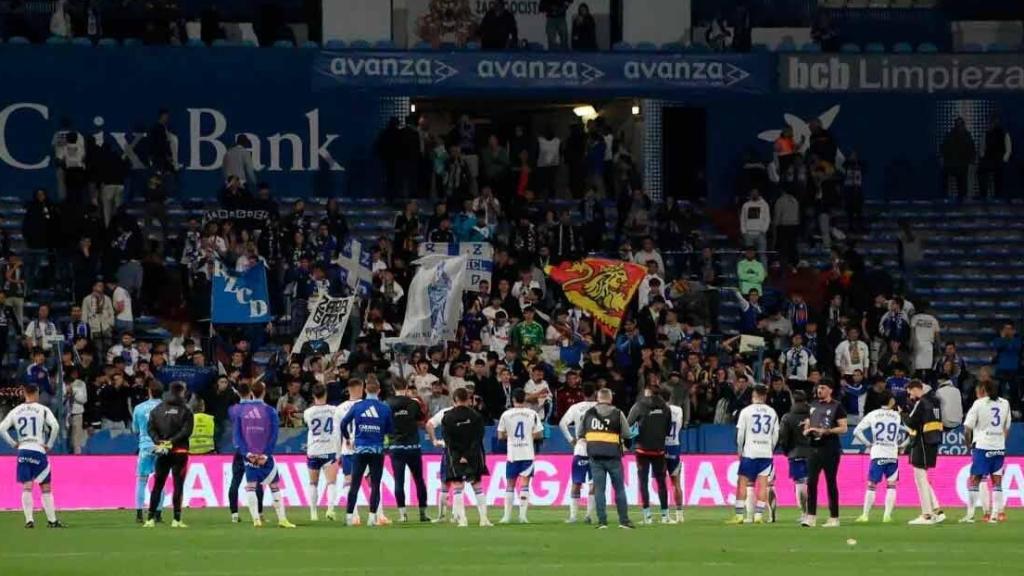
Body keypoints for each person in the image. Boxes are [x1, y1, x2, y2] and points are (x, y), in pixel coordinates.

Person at [233, 381, 295, 528]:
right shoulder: (270, 411)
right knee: (274, 485)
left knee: (251, 486)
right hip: (264, 455)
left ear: (251, 393)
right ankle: (282, 519)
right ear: (264, 392)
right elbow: (273, 435)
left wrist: (247, 453)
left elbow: (237, 435)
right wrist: (266, 455)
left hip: (249, 456)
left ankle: (256, 520)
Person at [0, 384, 63, 528]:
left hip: (23, 449)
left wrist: (13, 443)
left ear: (24, 393)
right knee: (45, 486)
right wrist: (50, 444)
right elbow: (56, 427)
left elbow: (2, 428)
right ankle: (52, 521)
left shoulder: (16, 410)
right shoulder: (43, 410)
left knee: (27, 486)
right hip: (38, 448)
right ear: (37, 393)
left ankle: (29, 521)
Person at [339, 378, 393, 527]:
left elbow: (343, 423)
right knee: (375, 484)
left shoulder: (358, 406)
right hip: (377, 450)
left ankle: (350, 517)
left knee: (354, 484)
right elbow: (390, 430)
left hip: (360, 449)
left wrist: (347, 438)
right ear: (379, 391)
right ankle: (372, 518)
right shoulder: (385, 408)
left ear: (365, 390)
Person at [581, 388, 636, 529]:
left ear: (598, 398)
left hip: (595, 456)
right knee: (619, 489)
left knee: (599, 489)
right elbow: (628, 435)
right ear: (610, 399)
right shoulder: (617, 413)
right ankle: (624, 521)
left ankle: (602, 522)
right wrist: (626, 448)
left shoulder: (589, 413)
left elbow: (579, 433)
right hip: (613, 456)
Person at [142, 382, 194, 529]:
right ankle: (176, 519)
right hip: (179, 451)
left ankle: (150, 519)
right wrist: (172, 442)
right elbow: (187, 431)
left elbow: (150, 428)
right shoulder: (186, 410)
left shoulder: (157, 409)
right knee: (178, 485)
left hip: (162, 451)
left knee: (158, 484)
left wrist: (160, 442)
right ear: (182, 392)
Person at [852, 391, 907, 524]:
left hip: (877, 453)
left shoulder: (873, 414)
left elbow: (856, 431)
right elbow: (912, 432)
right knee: (891, 485)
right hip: (892, 454)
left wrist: (868, 444)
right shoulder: (897, 415)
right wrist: (903, 445)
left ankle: (865, 515)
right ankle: (887, 516)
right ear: (891, 401)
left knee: (872, 485)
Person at [961, 379, 1011, 524]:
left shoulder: (979, 403)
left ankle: (970, 515)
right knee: (997, 482)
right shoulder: (1005, 403)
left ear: (984, 390)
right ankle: (995, 515)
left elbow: (967, 428)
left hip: (982, 446)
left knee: (975, 480)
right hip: (999, 447)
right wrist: (1001, 442)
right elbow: (1007, 427)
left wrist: (968, 445)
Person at [440, 387, 492, 527]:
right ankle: (484, 519)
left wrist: (460, 455)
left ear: (455, 399)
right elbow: (478, 438)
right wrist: (468, 454)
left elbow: (448, 440)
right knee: (477, 485)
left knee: (458, 485)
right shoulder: (476, 416)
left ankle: (462, 520)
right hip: (473, 455)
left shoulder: (448, 417)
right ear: (468, 399)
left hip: (456, 456)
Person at [727, 385, 778, 525]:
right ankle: (758, 516)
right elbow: (775, 435)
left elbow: (740, 435)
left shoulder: (746, 411)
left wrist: (740, 450)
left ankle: (739, 516)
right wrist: (770, 449)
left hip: (750, 452)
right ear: (765, 396)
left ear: (753, 395)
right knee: (763, 484)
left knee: (742, 483)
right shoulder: (772, 412)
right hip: (766, 452)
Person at [802, 380, 847, 527]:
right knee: (811, 482)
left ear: (830, 390)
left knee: (830, 482)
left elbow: (843, 428)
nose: (819, 390)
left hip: (830, 448)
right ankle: (811, 517)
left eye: (822, 388)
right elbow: (808, 423)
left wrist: (826, 431)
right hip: (813, 447)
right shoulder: (812, 405)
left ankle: (834, 518)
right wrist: (807, 431)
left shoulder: (837, 406)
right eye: (818, 387)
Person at [496, 389, 544, 524]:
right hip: (527, 453)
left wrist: (510, 437)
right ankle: (523, 516)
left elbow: (500, 436)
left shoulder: (506, 414)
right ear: (525, 399)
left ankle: (506, 517)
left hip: (513, 453)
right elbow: (540, 434)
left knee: (510, 485)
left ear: (512, 399)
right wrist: (529, 437)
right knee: (525, 484)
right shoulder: (532, 413)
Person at [628, 384, 673, 524]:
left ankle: (647, 517)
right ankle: (665, 516)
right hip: (659, 449)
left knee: (643, 482)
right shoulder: (666, 408)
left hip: (642, 449)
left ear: (647, 392)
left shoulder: (639, 406)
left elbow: (628, 424)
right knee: (661, 482)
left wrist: (631, 439)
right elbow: (668, 429)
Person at [387, 381, 431, 523]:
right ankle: (423, 513)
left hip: (396, 447)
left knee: (399, 481)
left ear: (394, 388)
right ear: (406, 388)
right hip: (413, 446)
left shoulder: (387, 404)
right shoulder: (413, 403)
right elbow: (421, 419)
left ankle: (403, 515)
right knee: (419, 480)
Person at [905, 379, 944, 525]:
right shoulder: (936, 401)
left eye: (910, 393)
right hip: (933, 441)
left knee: (920, 477)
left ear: (915, 389)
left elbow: (910, 422)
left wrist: (902, 413)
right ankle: (935, 511)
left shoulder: (921, 402)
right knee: (923, 478)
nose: (910, 396)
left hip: (922, 442)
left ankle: (927, 515)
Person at [557, 383, 597, 523]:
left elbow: (562, 423)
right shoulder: (600, 407)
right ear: (595, 393)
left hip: (580, 447)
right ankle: (589, 516)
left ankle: (573, 516)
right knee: (594, 484)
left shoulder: (575, 407)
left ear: (582, 393)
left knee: (576, 482)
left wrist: (571, 439)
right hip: (596, 449)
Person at [227, 383, 263, 523]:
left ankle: (234, 514)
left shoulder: (233, 409)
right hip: (254, 448)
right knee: (257, 481)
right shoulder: (257, 409)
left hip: (240, 449)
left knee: (235, 481)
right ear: (250, 392)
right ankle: (259, 513)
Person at [303, 384, 340, 522]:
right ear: (326, 394)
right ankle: (330, 509)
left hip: (313, 449)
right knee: (331, 482)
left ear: (313, 396)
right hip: (329, 449)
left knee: (313, 483)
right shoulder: (334, 410)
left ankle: (313, 513)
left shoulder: (308, 412)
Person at [131, 380, 164, 523]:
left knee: (142, 480)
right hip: (161, 447)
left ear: (149, 391)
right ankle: (157, 514)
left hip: (145, 446)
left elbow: (135, 429)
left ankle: (139, 514)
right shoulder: (166, 408)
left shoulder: (139, 408)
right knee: (160, 481)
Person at [778, 390, 812, 524]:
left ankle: (804, 513)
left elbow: (783, 437)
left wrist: (787, 451)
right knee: (810, 483)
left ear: (793, 400)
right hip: (813, 454)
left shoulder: (787, 417)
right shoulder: (813, 415)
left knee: (799, 483)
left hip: (795, 453)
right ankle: (811, 512)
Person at [335, 378, 365, 523]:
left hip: (347, 450)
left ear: (349, 389)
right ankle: (379, 515)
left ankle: (354, 516)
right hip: (365, 448)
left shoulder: (339, 408)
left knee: (349, 481)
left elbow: (337, 433)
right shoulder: (367, 405)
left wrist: (337, 454)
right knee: (373, 480)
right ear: (361, 388)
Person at [661, 388, 686, 523]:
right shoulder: (678, 410)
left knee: (662, 482)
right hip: (674, 445)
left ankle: (665, 514)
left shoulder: (658, 410)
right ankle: (679, 514)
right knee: (676, 482)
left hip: (661, 446)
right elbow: (680, 426)